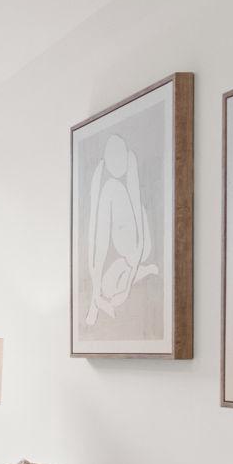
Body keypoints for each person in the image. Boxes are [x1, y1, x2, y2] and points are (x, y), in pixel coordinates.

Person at [82, 134, 159, 328]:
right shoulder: (113, 186)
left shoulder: (123, 185)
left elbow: (139, 244)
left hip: (137, 252)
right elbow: (99, 243)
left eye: (119, 158)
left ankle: (100, 297)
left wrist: (119, 292)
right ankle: (100, 297)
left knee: (109, 287)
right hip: (133, 254)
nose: (117, 164)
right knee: (109, 286)